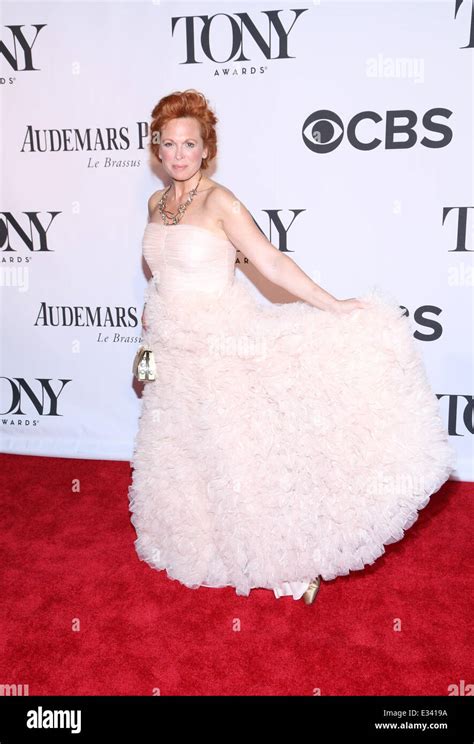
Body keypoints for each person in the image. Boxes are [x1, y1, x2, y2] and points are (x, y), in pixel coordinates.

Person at [128, 89, 456, 605]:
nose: (177, 155)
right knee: (186, 453)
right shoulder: (156, 202)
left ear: (206, 149)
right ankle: (198, 540)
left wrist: (334, 306)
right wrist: (148, 335)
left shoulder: (221, 202)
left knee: (235, 458)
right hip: (171, 347)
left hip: (219, 343)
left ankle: (281, 563)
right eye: (167, 144)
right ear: (157, 149)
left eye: (188, 144)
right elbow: (160, 276)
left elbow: (272, 264)